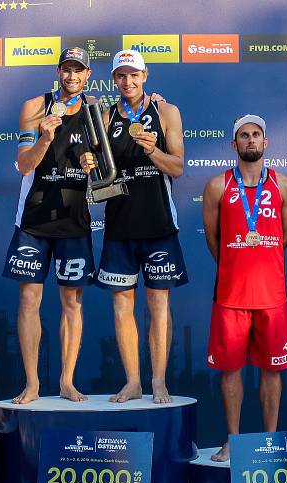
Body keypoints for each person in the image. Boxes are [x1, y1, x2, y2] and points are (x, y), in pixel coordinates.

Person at [81, 49, 185, 403]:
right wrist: (88, 162)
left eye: (134, 75)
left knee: (158, 306)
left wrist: (153, 151)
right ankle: (132, 381)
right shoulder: (106, 116)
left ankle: (158, 381)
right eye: (121, 76)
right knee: (122, 307)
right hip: (120, 226)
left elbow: (178, 167)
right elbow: (97, 172)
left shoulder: (166, 111)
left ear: (146, 75)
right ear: (115, 80)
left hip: (158, 224)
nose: (128, 81)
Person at [4, 47, 97, 404]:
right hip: (34, 218)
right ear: (58, 71)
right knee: (29, 299)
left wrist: (95, 164)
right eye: (67, 69)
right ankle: (32, 384)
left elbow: (106, 169)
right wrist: (44, 137)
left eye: (79, 71)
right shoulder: (34, 107)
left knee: (71, 302)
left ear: (87, 75)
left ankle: (67, 381)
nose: (72, 76)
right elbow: (24, 165)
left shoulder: (96, 112)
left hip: (74, 218)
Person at [202, 115, 287, 461]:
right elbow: (214, 240)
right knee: (231, 371)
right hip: (230, 296)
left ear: (266, 142)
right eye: (244, 135)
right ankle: (233, 440)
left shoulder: (284, 186)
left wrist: (259, 257)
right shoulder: (217, 186)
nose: (251, 140)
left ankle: (270, 439)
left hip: (271, 295)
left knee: (272, 371)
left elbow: (285, 237)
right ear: (234, 144)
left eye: (257, 134)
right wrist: (235, 261)